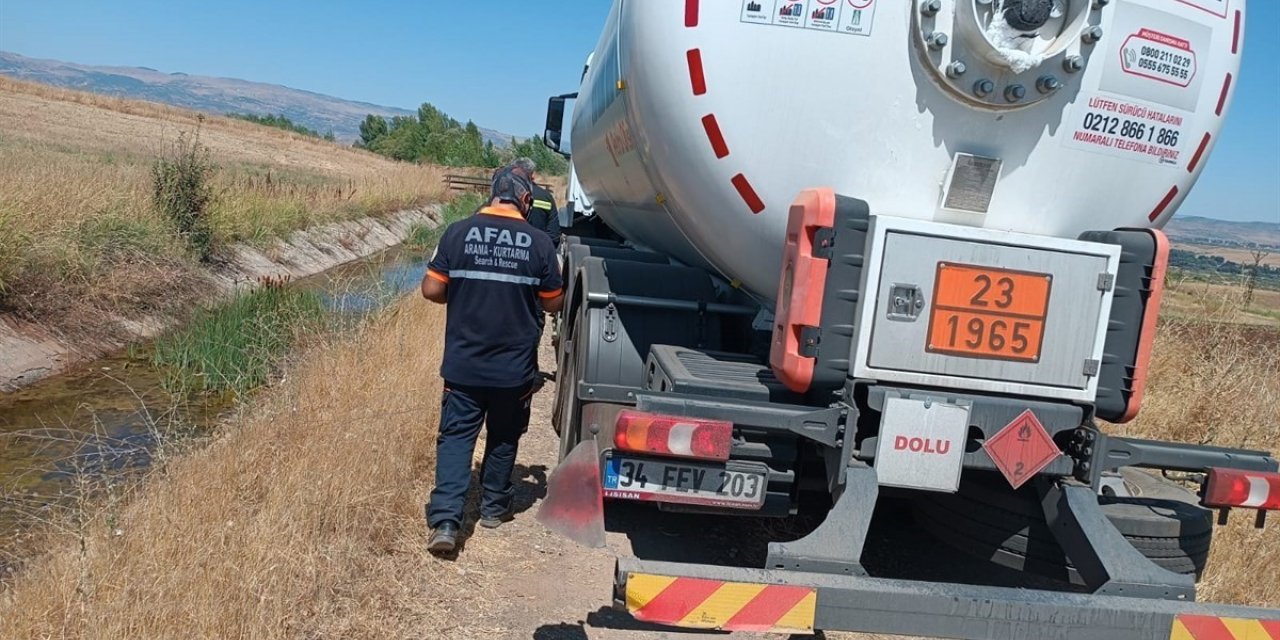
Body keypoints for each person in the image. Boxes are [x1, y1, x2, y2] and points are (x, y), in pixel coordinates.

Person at [420, 167, 565, 553]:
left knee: (456, 438)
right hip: (513, 369)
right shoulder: (540, 244)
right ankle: (493, 508)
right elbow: (553, 301)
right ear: (526, 201)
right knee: (503, 436)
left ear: (490, 196)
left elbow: (432, 289)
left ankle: (447, 522)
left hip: (464, 364)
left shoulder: (457, 232)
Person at [509, 157, 561, 247]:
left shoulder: (504, 194)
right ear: (533, 175)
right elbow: (554, 235)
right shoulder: (546, 197)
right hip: (536, 252)